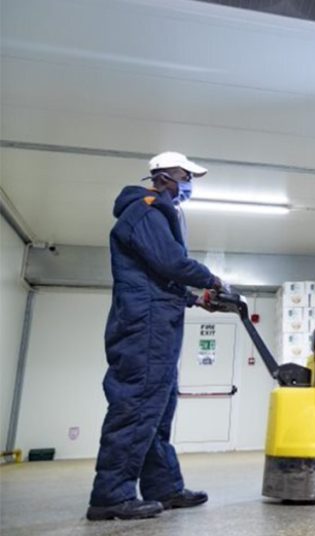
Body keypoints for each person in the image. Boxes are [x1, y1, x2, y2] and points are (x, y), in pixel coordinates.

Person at [87, 152, 225, 521]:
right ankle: (110, 495)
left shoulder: (158, 213)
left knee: (158, 410)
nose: (189, 185)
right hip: (143, 326)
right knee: (136, 406)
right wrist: (212, 279)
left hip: (157, 323)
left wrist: (196, 299)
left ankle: (163, 487)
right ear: (163, 177)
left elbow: (160, 279)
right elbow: (170, 263)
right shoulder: (146, 210)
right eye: (185, 176)